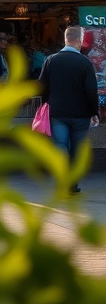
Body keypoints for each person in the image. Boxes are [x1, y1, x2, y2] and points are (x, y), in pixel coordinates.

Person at [39, 25, 99, 194]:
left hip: (57, 113)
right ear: (79, 41)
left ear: (65, 39)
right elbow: (91, 91)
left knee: (60, 146)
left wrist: (48, 102)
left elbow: (41, 86)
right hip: (81, 114)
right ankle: (72, 184)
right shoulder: (85, 63)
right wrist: (94, 112)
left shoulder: (51, 60)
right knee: (76, 149)